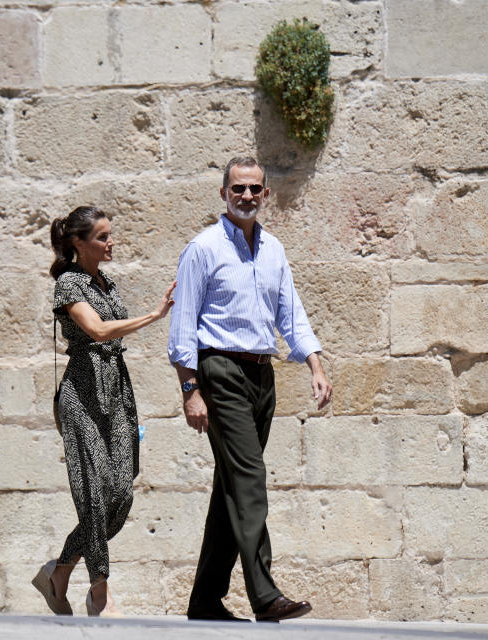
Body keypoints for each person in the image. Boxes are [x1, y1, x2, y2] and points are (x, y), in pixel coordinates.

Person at [168, 157, 332, 622]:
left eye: (254, 189)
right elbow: (182, 327)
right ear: (224, 194)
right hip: (219, 371)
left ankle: (204, 601)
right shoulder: (202, 249)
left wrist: (315, 367)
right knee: (250, 482)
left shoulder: (274, 250)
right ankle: (264, 595)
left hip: (263, 375)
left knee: (232, 488)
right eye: (237, 188)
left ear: (264, 195)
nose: (246, 196)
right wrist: (190, 390)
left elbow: (291, 314)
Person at [33, 206, 175, 617]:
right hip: (82, 391)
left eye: (110, 235)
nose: (110, 242)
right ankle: (100, 591)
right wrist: (152, 316)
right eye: (102, 237)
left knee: (121, 494)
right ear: (78, 243)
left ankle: (60, 572)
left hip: (116, 390)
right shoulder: (68, 284)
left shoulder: (107, 283)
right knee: (93, 495)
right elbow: (95, 330)